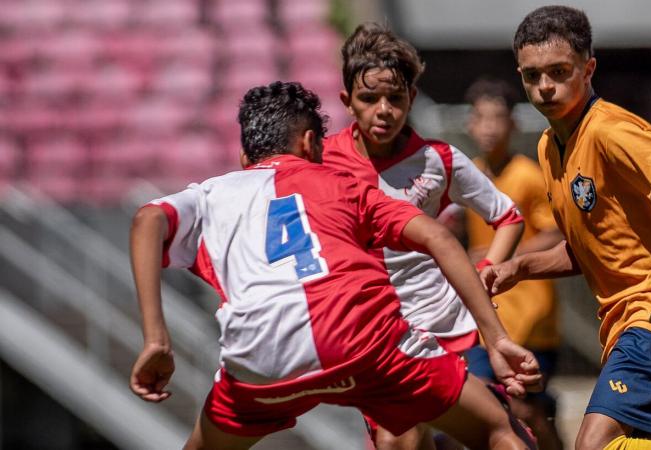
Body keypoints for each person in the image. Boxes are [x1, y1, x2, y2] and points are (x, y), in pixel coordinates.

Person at [128, 81, 540, 450]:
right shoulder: (342, 183)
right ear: (310, 143)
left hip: (262, 359)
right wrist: (497, 337)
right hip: (361, 342)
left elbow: (148, 219)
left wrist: (156, 340)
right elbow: (437, 237)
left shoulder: (210, 195)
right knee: (500, 432)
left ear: (242, 156)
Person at [483, 6, 651, 450]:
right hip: (630, 321)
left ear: (588, 68)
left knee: (593, 444)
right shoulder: (549, 147)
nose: (544, 87)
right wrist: (521, 268)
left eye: (559, 72)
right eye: (532, 75)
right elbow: (587, 249)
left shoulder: (609, 132)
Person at [321, 24, 527, 450]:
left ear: (411, 99)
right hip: (376, 334)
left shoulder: (439, 160)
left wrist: (485, 273)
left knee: (507, 435)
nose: (384, 110)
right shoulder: (322, 162)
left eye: (395, 98)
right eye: (369, 98)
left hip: (447, 326)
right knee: (401, 439)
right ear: (347, 102)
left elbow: (507, 216)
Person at [461, 77, 565, 450]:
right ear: (470, 124)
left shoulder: (528, 175)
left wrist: (506, 256)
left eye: (497, 118)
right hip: (487, 313)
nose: (488, 127)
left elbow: (557, 232)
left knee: (523, 407)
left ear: (513, 124)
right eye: (481, 118)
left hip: (533, 316)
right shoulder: (467, 173)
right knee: (486, 404)